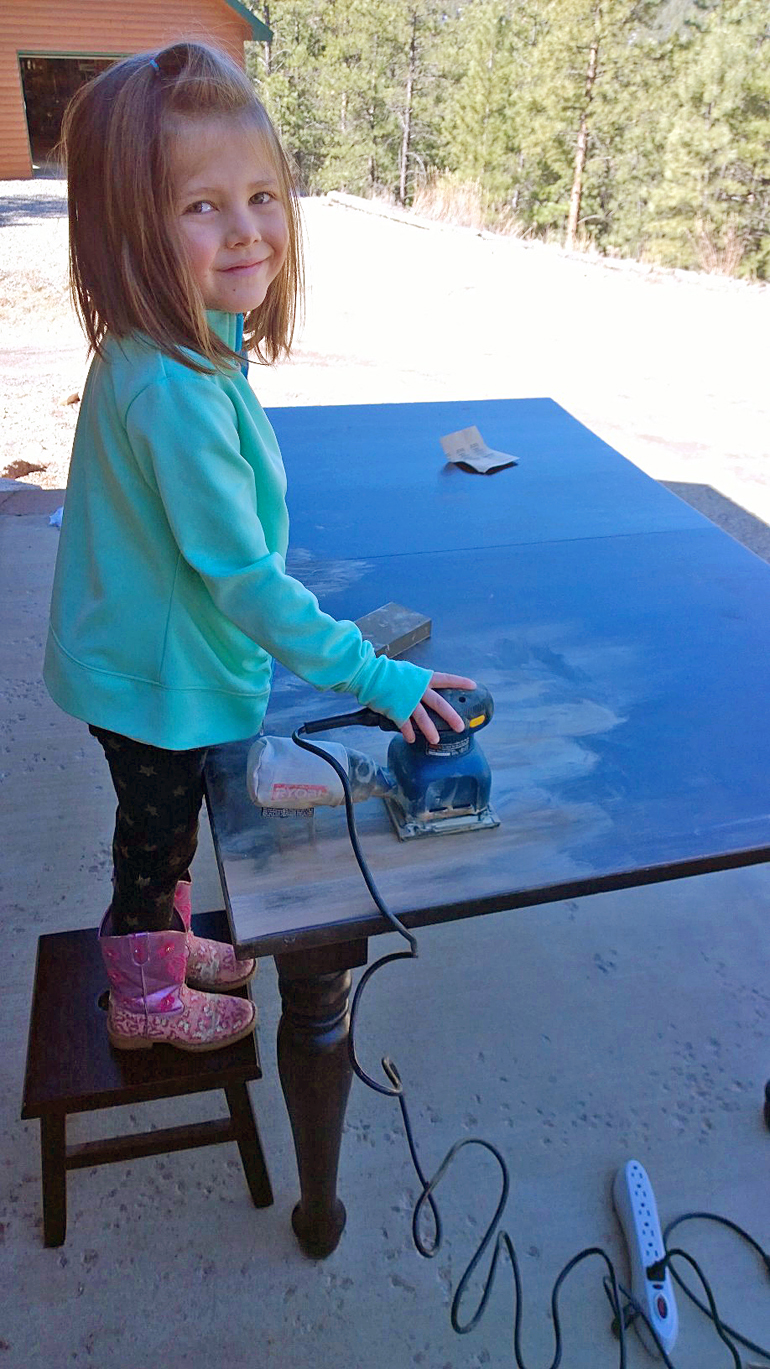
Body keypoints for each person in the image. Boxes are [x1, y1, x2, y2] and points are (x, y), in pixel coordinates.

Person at [44, 40, 475, 1054]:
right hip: (146, 680)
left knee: (173, 827)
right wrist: (374, 676)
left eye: (263, 195)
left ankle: (163, 945)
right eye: (200, 206)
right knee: (150, 848)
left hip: (148, 657)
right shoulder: (174, 391)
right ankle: (144, 1002)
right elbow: (241, 579)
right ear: (130, 230)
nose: (247, 230)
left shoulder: (183, 342)